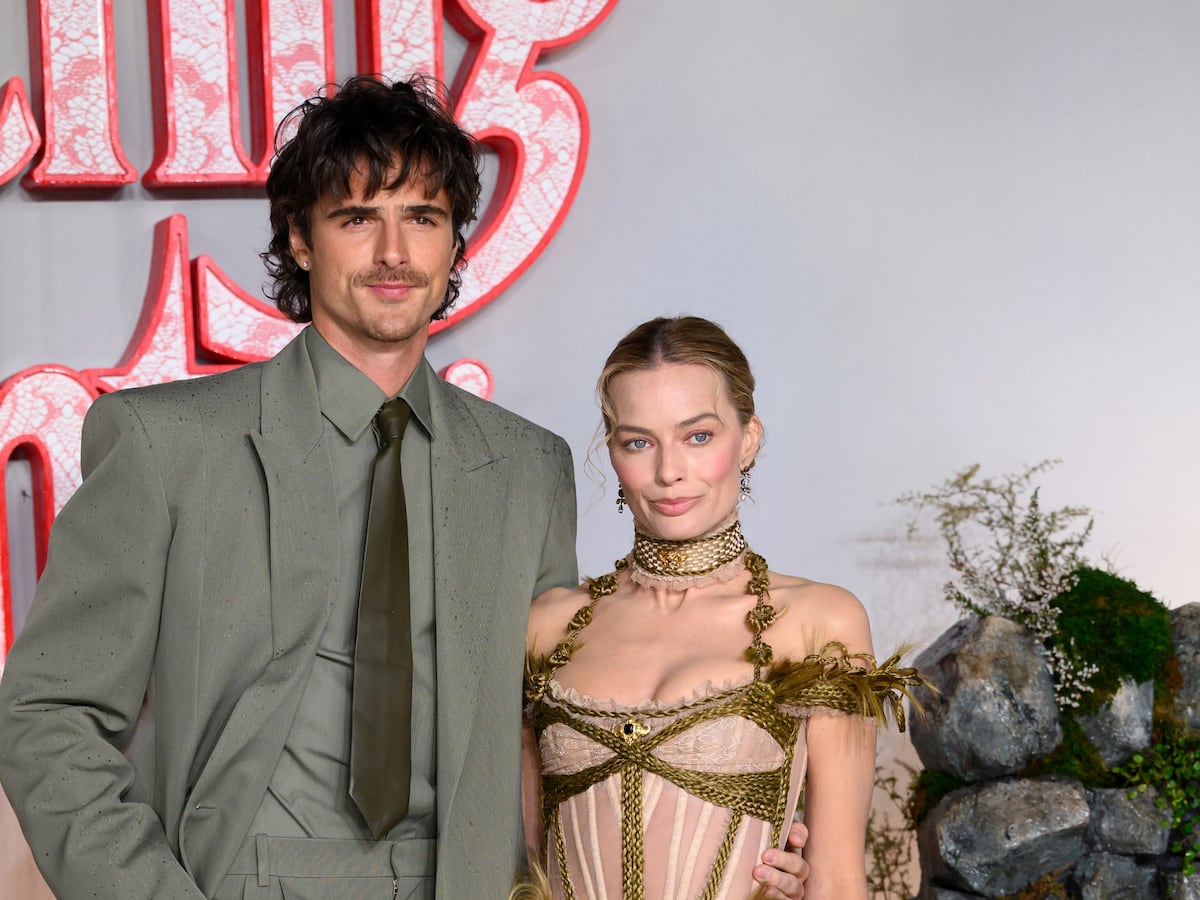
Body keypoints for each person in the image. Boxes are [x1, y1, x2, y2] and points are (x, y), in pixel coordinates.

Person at [0, 77, 810, 899]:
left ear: (455, 244)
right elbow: (47, 716)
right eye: (358, 218)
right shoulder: (166, 445)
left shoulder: (527, 468)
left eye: (423, 218)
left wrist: (739, 829)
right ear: (301, 238)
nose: (394, 252)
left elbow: (559, 731)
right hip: (241, 877)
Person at [523, 316, 922, 899]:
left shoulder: (820, 623)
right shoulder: (547, 625)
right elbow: (519, 863)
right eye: (639, 442)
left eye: (698, 437)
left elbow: (837, 879)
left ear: (749, 439)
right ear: (613, 453)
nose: (668, 471)